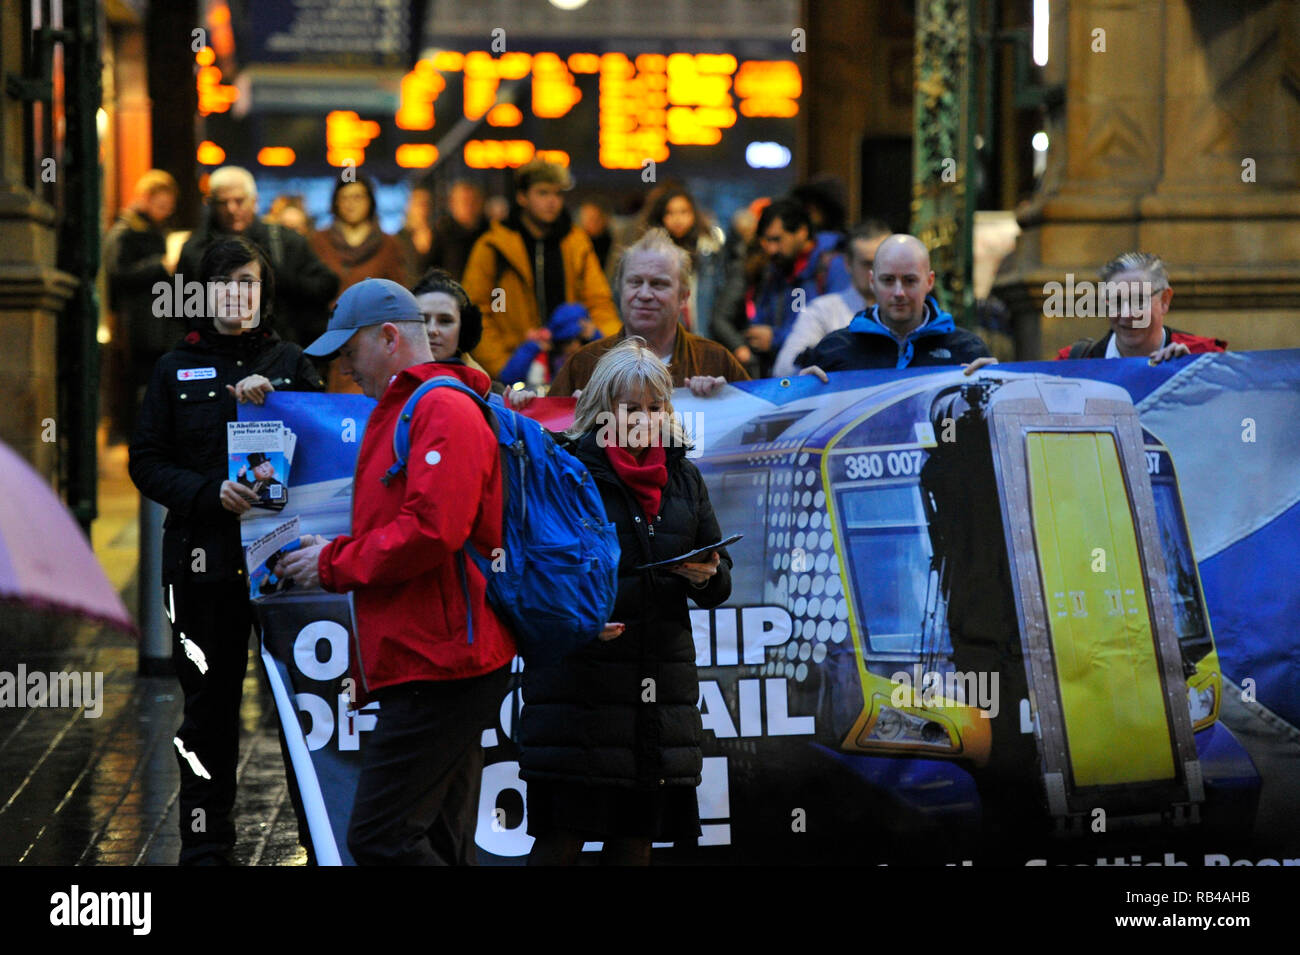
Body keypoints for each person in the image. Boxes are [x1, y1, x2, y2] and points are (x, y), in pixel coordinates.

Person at [277, 278, 515, 865]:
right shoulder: (418, 405)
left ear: (387, 337)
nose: (345, 369)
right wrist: (334, 547)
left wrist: (332, 562)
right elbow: (413, 524)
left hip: (441, 660)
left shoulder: (438, 406)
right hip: (439, 654)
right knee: (435, 836)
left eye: (350, 352)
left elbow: (435, 529)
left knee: (380, 837)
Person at [128, 236, 325, 865]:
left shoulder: (292, 362)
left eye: (251, 282)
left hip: (286, 566)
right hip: (202, 567)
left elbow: (326, 461)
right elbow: (147, 462)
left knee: (302, 711)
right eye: (227, 283)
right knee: (206, 714)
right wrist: (210, 493)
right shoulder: (171, 369)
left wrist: (286, 406)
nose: (240, 295)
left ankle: (315, 837)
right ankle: (206, 847)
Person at [519, 339, 733, 865]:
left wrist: (705, 576)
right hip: (578, 693)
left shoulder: (684, 476)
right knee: (560, 842)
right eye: (630, 407)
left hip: (657, 699)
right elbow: (536, 574)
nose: (644, 418)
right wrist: (579, 623)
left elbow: (721, 581)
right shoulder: (566, 471)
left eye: (655, 406)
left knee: (635, 844)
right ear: (601, 410)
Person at [460, 158, 620, 378]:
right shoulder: (494, 246)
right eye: (543, 193)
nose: (552, 201)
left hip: (570, 364)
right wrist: (503, 366)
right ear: (522, 197)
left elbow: (599, 301)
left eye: (557, 194)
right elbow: (477, 309)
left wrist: (605, 347)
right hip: (516, 365)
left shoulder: (576, 243)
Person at [547, 229, 750, 400]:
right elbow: (544, 437)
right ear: (620, 289)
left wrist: (729, 399)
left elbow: (761, 427)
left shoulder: (715, 362)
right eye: (635, 282)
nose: (644, 294)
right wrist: (525, 409)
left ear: (683, 297)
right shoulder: (584, 364)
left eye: (658, 284)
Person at [178, 166, 339, 347]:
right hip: (213, 351)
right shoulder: (194, 249)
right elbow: (178, 309)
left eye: (239, 201)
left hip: (277, 349)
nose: (231, 209)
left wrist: (278, 278)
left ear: (254, 201)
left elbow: (327, 286)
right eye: (223, 202)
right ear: (211, 204)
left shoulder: (284, 241)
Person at [798, 234, 995, 376]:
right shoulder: (835, 350)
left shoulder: (967, 349)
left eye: (910, 281)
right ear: (872, 281)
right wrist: (803, 392)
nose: (899, 292)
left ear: (929, 281)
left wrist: (999, 384)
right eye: (888, 280)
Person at [710, 197, 852, 378]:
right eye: (766, 241)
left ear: (801, 232)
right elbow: (763, 315)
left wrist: (776, 338)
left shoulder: (833, 265)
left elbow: (840, 331)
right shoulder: (779, 267)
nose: (770, 249)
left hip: (822, 378)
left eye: (777, 240)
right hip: (781, 375)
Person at [103, 169, 181, 441]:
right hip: (140, 323)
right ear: (146, 198)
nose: (165, 211)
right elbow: (117, 273)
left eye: (168, 206)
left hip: (159, 323)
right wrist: (159, 265)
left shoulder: (154, 229)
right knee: (141, 384)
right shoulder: (126, 231)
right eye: (161, 205)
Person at [1056, 252, 1226, 363]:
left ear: (1164, 300)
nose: (1127, 313)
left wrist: (1195, 376)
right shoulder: (1073, 365)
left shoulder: (1204, 357)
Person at [772, 219, 892, 377]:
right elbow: (783, 369)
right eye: (867, 263)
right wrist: (810, 370)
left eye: (884, 262)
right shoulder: (823, 310)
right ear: (848, 263)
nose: (877, 271)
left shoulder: (911, 308)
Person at [642, 186, 727, 341]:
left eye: (684, 211)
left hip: (704, 336)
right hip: (662, 340)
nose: (677, 219)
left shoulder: (709, 253)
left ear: (694, 214)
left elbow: (720, 301)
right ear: (661, 217)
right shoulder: (650, 256)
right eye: (670, 212)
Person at [310, 176, 408, 298]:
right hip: (329, 315)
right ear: (336, 202)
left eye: (357, 197)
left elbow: (399, 294)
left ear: (370, 201)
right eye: (344, 198)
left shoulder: (388, 244)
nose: (350, 204)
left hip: (374, 315)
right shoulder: (320, 241)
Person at [498, 302, 602, 392]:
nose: (574, 347)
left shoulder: (591, 354)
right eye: (567, 341)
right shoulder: (544, 353)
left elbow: (608, 370)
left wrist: (596, 338)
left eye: (580, 340)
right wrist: (531, 348)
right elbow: (507, 379)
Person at [429, 180, 488, 281]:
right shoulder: (442, 233)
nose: (469, 206)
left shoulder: (489, 233)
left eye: (473, 201)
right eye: (464, 201)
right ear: (452, 204)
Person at [397, 181, 437, 282]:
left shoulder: (440, 235)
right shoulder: (399, 238)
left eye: (426, 203)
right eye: (418, 204)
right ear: (409, 207)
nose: (422, 208)